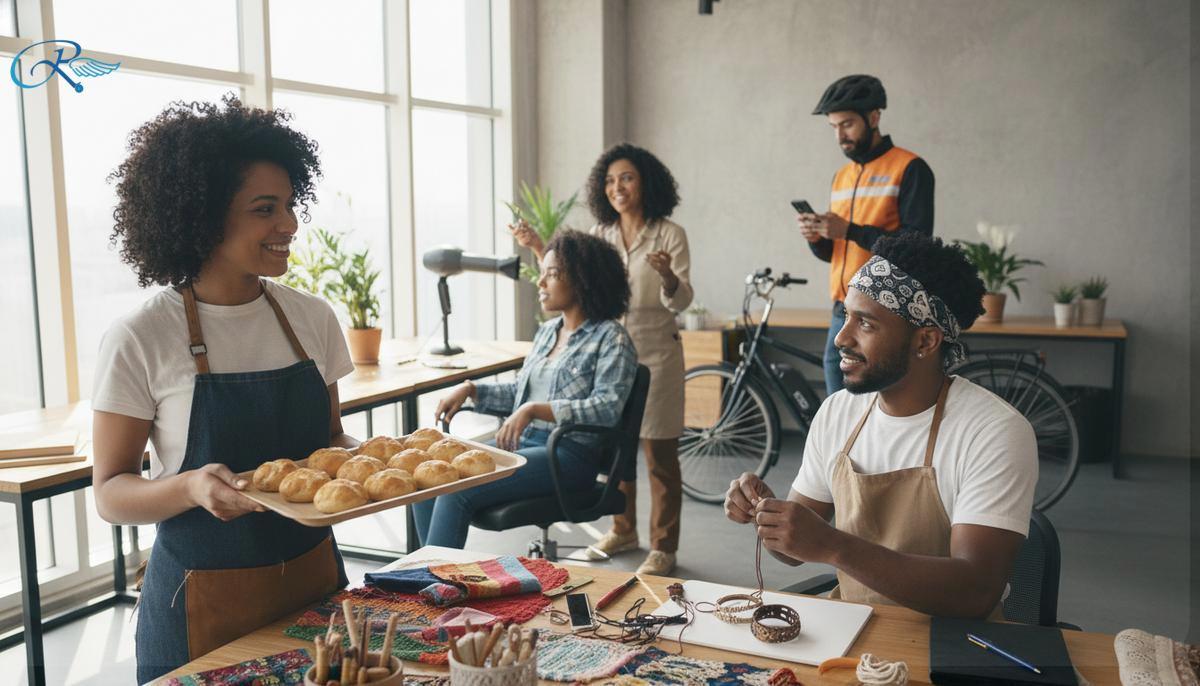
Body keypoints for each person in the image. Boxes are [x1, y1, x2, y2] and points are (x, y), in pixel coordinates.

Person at [91, 95, 359, 682]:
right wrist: (189, 487)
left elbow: (331, 439)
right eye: (266, 209)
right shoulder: (141, 336)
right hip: (199, 608)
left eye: (289, 205)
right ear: (204, 216)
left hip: (315, 593)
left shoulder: (313, 319)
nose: (288, 224)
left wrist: (366, 461)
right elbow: (110, 493)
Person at [725, 234, 1038, 618]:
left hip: (954, 649)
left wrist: (834, 546)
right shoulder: (838, 413)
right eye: (845, 316)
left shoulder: (994, 432)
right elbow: (793, 551)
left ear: (925, 340)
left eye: (866, 324)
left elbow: (974, 592)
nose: (842, 337)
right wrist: (767, 513)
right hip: (851, 633)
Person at [510, 143, 692, 576]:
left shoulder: (670, 234)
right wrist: (539, 246)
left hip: (657, 353)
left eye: (626, 178)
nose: (617, 187)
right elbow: (573, 278)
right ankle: (623, 529)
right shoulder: (601, 234)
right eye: (610, 181)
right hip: (606, 354)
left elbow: (682, 299)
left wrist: (667, 274)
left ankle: (664, 545)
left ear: (646, 181)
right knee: (617, 449)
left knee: (660, 455)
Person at [420, 230, 638, 548]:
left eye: (552, 274)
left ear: (582, 279)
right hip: (523, 444)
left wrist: (536, 410)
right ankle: (419, 579)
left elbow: (607, 407)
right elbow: (523, 394)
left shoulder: (611, 338)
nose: (540, 283)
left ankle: (435, 584)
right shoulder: (548, 332)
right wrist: (471, 390)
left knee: (458, 491)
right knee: (427, 477)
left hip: (568, 454)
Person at [799, 74, 935, 396]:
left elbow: (916, 246)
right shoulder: (842, 177)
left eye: (846, 124)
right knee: (840, 407)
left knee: (875, 407)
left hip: (883, 310)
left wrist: (850, 230)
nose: (840, 135)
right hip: (842, 308)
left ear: (873, 117)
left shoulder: (910, 167)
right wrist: (817, 237)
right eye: (833, 127)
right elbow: (837, 253)